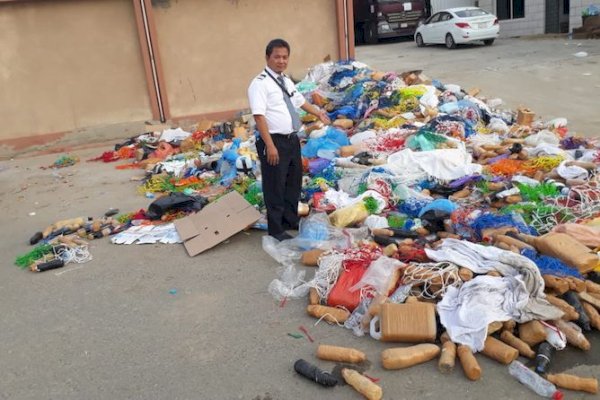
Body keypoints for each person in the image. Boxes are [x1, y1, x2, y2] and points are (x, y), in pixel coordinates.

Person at [248, 38, 330, 241]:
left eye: (285, 57)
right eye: (277, 57)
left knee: (293, 182)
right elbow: (259, 116)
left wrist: (319, 113)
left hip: (291, 139)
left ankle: (289, 219)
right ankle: (276, 229)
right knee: (274, 185)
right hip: (273, 141)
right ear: (268, 57)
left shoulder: (284, 80)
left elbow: (300, 101)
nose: (281, 60)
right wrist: (270, 145)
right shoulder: (259, 84)